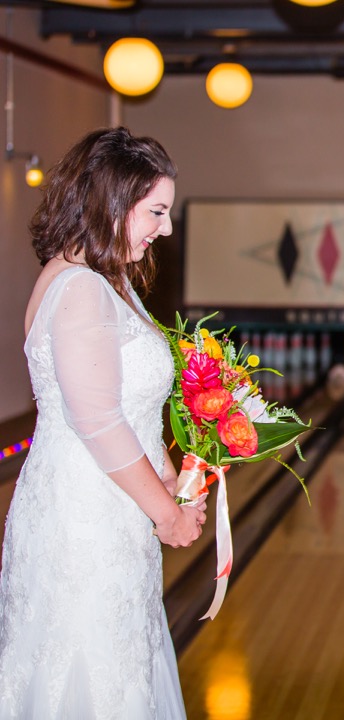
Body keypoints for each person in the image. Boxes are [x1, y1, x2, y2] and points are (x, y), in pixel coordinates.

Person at [0, 127, 207, 718]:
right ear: (112, 202)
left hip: (112, 511)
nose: (166, 229)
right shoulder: (81, 289)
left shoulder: (108, 282)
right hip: (83, 521)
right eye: (156, 212)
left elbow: (132, 413)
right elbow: (99, 422)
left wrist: (169, 480)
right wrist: (166, 513)